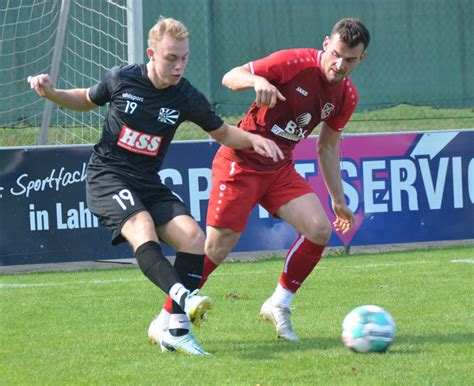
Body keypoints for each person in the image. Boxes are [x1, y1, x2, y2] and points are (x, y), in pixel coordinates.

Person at [28, 16, 283, 356]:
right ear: (151, 53)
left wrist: (252, 139)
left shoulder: (186, 96)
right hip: (108, 175)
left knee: (193, 238)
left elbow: (221, 132)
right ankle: (184, 297)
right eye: (171, 58)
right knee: (142, 226)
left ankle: (176, 330)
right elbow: (87, 98)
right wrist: (52, 93)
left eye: (184, 58)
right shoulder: (122, 78)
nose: (179, 66)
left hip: (147, 181)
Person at [151, 17, 370, 342]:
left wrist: (338, 200)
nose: (339, 65)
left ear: (360, 59)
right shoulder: (294, 62)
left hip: (279, 167)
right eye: (336, 54)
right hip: (242, 157)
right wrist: (257, 81)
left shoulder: (346, 96)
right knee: (218, 245)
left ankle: (279, 304)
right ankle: (166, 316)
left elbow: (327, 146)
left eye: (350, 60)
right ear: (326, 43)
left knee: (319, 229)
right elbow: (230, 77)